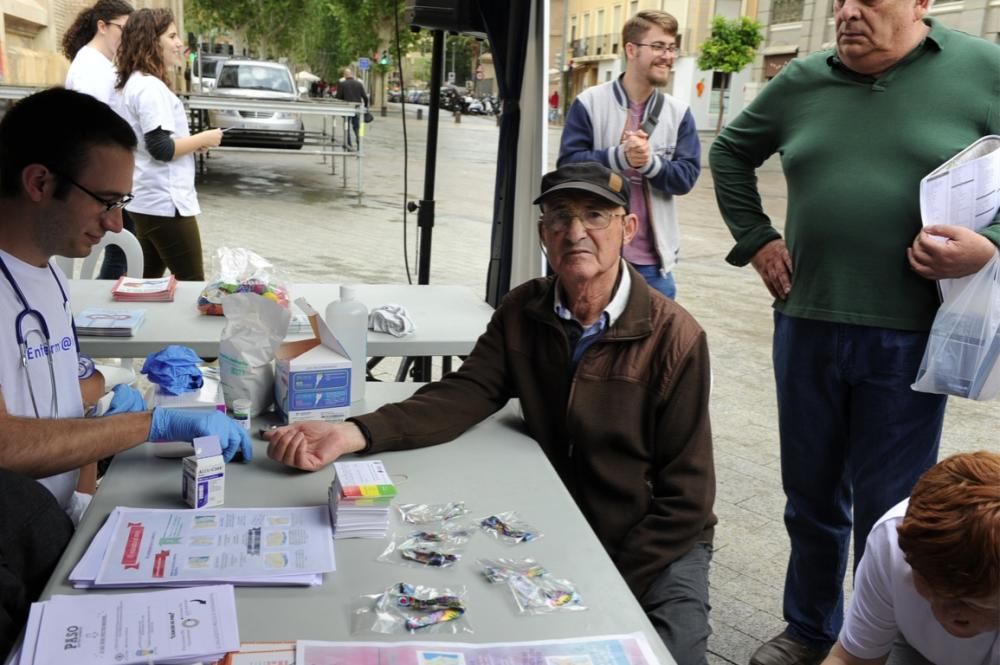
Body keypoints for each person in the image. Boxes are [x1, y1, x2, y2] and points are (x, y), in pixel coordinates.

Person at [266, 162, 717, 665]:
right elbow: (468, 391)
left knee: (666, 655)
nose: (576, 232)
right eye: (559, 217)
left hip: (654, 538)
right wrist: (355, 432)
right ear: (543, 232)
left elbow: (688, 499)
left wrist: (611, 579)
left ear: (627, 229)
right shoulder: (525, 308)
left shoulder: (674, 337)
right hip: (561, 519)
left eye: (595, 216)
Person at [709, 1, 1000, 663]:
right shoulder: (804, 79)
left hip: (911, 333)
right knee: (809, 497)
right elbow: (729, 154)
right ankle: (809, 629)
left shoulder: (984, 70)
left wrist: (989, 246)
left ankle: (888, 638)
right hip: (806, 322)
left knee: (891, 511)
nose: (846, 10)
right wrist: (756, 239)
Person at [0, 87, 252, 530]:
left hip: (53, 527)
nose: (116, 224)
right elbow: (7, 447)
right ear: (39, 182)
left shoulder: (49, 275)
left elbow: (68, 412)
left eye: (122, 204)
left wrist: (83, 504)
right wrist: (148, 424)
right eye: (106, 201)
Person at [558, 10, 701, 301]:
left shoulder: (679, 113)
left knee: (654, 345)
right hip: (592, 255)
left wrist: (649, 163)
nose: (668, 56)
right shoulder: (589, 103)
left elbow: (686, 178)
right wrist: (619, 157)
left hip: (653, 265)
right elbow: (567, 166)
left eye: (672, 48)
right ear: (631, 49)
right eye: (659, 46)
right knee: (585, 342)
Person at [822, 451, 999, 665]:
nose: (950, 615)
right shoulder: (892, 543)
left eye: (971, 600)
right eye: (933, 591)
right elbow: (851, 660)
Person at [111, 8, 222, 281]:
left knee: (143, 283)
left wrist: (189, 144)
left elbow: (150, 143)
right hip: (165, 204)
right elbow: (161, 149)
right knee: (193, 285)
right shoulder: (150, 88)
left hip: (147, 201)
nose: (179, 43)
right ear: (151, 40)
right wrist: (204, 138)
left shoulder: (135, 83)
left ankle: (129, 323)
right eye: (172, 36)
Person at [62, 0, 136, 281]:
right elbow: (89, 127)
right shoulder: (91, 67)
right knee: (119, 248)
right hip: (100, 176)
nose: (126, 38)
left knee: (120, 247)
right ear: (102, 26)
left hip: (106, 175)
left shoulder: (99, 64)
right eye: (123, 29)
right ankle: (105, 307)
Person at [335, 67, 369, 150]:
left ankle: (348, 144)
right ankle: (359, 140)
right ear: (352, 75)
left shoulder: (342, 84)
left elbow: (338, 97)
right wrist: (365, 107)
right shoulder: (359, 84)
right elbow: (365, 97)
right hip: (357, 108)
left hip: (346, 108)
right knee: (357, 126)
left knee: (347, 126)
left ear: (344, 76)